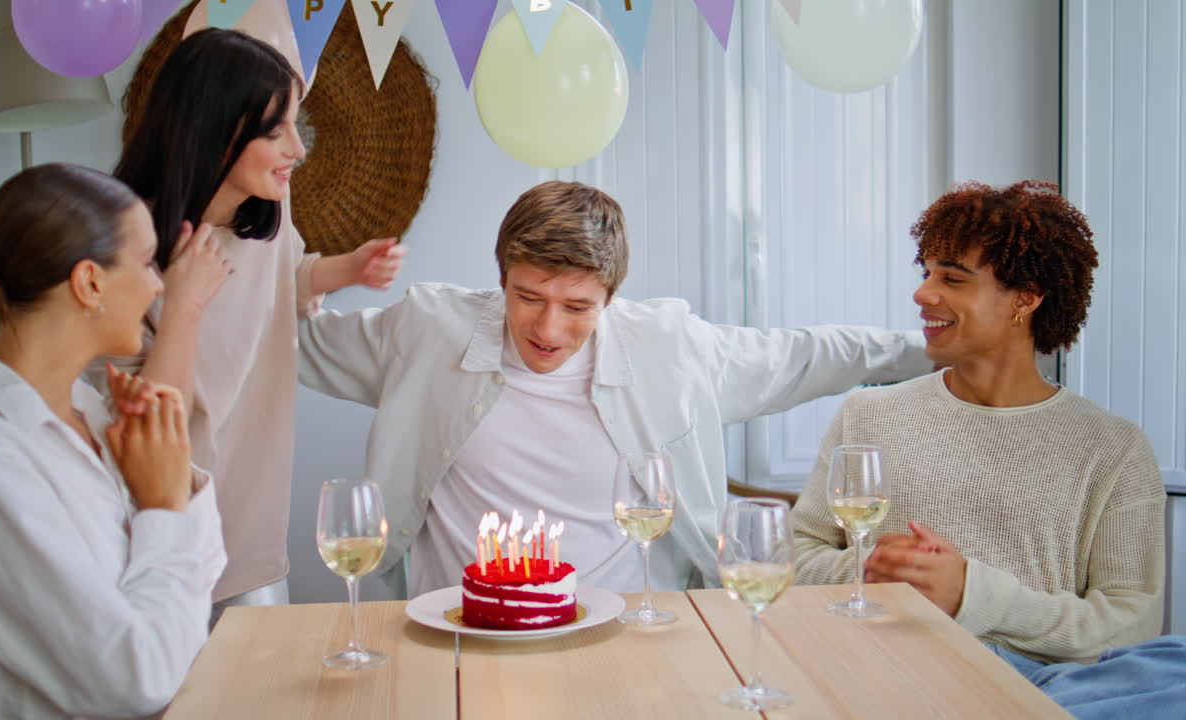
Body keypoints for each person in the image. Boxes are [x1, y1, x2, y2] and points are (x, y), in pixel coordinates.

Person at [298, 180, 932, 598]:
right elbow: (286, 342)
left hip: (626, 636)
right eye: (528, 297)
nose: (548, 328)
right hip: (461, 632)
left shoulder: (669, 350)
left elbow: (806, 356)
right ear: (501, 281)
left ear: (611, 296)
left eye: (577, 307)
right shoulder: (428, 333)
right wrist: (303, 272)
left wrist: (937, 349)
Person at [790, 180, 1184, 718]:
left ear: (1026, 298)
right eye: (926, 272)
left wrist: (972, 594)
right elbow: (793, 555)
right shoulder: (871, 414)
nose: (923, 293)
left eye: (952, 278)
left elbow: (1129, 626)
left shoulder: (1113, 448)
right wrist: (878, 571)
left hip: (1048, 684)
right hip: (891, 662)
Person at [0, 163, 225, 718]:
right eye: (149, 262)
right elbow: (136, 678)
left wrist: (169, 473)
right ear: (89, 283)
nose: (157, 285)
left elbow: (194, 592)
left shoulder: (93, 412)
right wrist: (165, 506)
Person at [108, 28, 405, 620]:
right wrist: (183, 307)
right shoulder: (124, 245)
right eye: (277, 132)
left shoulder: (263, 216)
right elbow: (138, 420)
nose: (299, 149)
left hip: (251, 536)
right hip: (154, 535)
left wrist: (348, 269)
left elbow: (281, 277)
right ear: (217, 131)